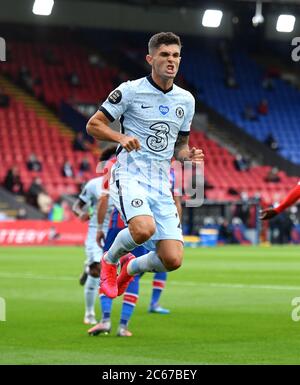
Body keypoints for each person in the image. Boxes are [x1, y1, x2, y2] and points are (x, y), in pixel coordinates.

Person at [86, 32, 204, 299]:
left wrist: (188, 156)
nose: (171, 60)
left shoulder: (186, 100)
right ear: (150, 58)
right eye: (164, 55)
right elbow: (93, 124)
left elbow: (180, 146)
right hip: (130, 174)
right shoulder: (129, 90)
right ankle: (110, 259)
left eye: (175, 55)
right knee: (143, 229)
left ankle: (131, 266)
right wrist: (121, 137)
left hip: (161, 181)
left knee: (172, 259)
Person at [72, 147, 117, 324]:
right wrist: (80, 214)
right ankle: (90, 313)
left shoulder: (126, 184)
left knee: (120, 270)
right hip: (95, 232)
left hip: (115, 232)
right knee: (97, 270)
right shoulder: (93, 185)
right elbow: (77, 206)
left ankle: (87, 266)